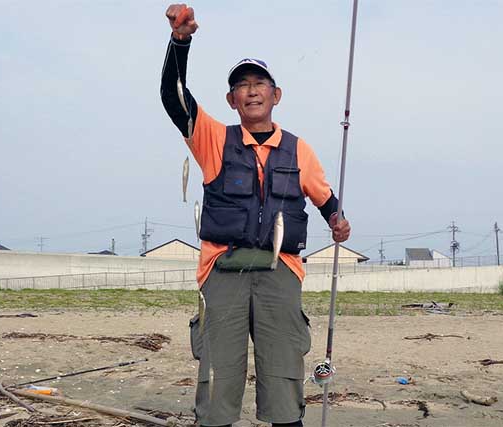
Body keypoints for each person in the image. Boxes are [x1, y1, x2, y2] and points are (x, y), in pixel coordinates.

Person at [161, 4, 351, 427]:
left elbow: (325, 198)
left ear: (275, 94)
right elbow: (174, 100)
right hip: (222, 268)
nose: (251, 91)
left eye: (259, 83)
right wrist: (180, 42)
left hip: (279, 269)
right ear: (231, 99)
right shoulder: (212, 139)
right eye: (241, 86)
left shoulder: (299, 149)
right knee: (217, 379)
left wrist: (338, 220)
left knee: (284, 378)